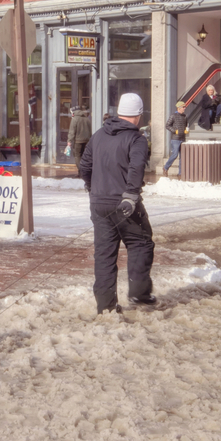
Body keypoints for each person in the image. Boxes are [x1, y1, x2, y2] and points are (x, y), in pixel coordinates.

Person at [79, 92, 154, 313]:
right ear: (139, 115)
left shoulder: (99, 134)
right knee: (141, 243)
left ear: (119, 112)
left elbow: (85, 166)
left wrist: (93, 188)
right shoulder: (137, 139)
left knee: (104, 254)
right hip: (125, 204)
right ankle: (139, 294)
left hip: (99, 204)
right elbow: (136, 167)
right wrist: (131, 194)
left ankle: (106, 306)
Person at [162, 101, 190, 175]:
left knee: (182, 156)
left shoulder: (185, 116)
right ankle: (166, 167)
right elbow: (167, 125)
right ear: (179, 108)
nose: (185, 108)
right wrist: (175, 131)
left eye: (185, 107)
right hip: (175, 139)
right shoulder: (173, 116)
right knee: (175, 154)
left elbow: (187, 125)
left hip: (182, 138)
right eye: (183, 107)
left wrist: (187, 130)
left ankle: (180, 173)